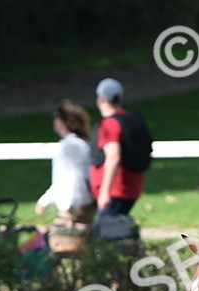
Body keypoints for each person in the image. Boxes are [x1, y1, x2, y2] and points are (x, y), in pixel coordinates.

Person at [89, 78, 152, 217]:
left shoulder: (110, 124)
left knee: (107, 232)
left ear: (101, 99)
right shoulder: (132, 120)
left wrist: (105, 192)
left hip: (115, 191)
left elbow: (113, 157)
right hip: (132, 188)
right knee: (118, 229)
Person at [36, 100, 95, 226]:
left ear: (61, 121)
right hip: (83, 202)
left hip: (74, 205)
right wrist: (45, 200)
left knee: (64, 240)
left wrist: (69, 203)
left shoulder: (71, 146)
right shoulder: (80, 143)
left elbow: (71, 177)